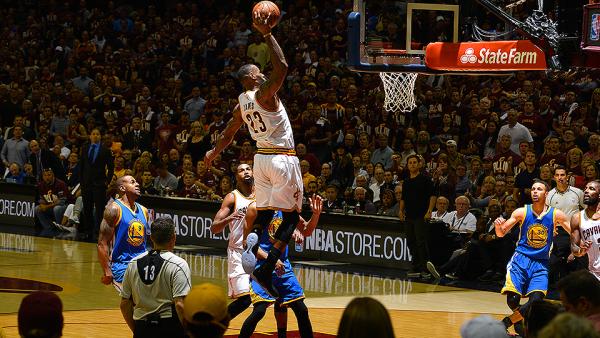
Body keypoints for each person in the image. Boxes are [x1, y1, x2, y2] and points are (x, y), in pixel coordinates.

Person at [204, 15, 302, 296]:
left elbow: (228, 134)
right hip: (282, 157)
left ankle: (254, 248)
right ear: (250, 78)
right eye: (258, 72)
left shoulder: (241, 105)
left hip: (260, 159)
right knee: (292, 216)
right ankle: (268, 264)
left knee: (264, 212)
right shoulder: (264, 95)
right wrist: (268, 34)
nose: (262, 74)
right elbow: (282, 67)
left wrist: (213, 152)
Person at [238, 195, 323, 338]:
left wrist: (316, 214)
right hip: (262, 266)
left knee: (301, 309)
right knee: (259, 310)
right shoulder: (255, 208)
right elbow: (247, 243)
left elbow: (307, 231)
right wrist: (271, 259)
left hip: (283, 267)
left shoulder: (288, 207)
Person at [493, 179, 571, 334]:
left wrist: (580, 245)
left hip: (541, 263)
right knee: (513, 300)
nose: (535, 191)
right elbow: (501, 233)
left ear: (546, 193)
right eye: (533, 189)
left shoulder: (556, 214)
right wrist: (497, 226)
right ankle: (522, 321)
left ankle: (507, 322)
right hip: (520, 260)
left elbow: (574, 234)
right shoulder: (522, 211)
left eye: (539, 189)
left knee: (536, 300)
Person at [120, 217, 191, 338]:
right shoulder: (178, 264)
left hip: (142, 327)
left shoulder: (133, 263)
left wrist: (136, 330)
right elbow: (180, 305)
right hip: (169, 327)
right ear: (174, 237)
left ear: (151, 237)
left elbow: (124, 304)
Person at [210, 163, 258, 319]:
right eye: (241, 170)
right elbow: (214, 228)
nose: (245, 172)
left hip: (260, 251)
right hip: (239, 252)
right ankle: (216, 325)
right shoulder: (232, 197)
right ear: (236, 177)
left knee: (266, 301)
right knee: (245, 300)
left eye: (248, 169)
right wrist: (229, 218)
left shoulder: (263, 193)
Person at [97, 175, 150, 292]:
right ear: (122, 188)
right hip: (122, 266)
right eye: (132, 182)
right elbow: (102, 243)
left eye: (136, 181)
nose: (137, 184)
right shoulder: (114, 209)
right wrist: (107, 271)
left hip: (143, 265)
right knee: (135, 302)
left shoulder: (144, 211)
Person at [399, 154, 436, 278]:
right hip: (409, 215)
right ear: (407, 165)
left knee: (421, 241)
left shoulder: (425, 179)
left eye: (415, 162)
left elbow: (432, 195)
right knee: (411, 241)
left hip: (421, 215)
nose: (413, 164)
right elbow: (403, 198)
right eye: (410, 163)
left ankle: (425, 268)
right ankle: (415, 266)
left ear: (419, 164)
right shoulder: (407, 182)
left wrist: (429, 210)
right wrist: (400, 210)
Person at [546, 165, 585, 282]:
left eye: (562, 175)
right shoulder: (550, 195)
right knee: (555, 260)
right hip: (559, 231)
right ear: (554, 177)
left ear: (567, 176)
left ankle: (581, 286)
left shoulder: (578, 192)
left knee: (581, 257)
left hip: (577, 229)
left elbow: (587, 209)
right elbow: (547, 215)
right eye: (557, 175)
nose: (560, 178)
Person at [80, 128, 114, 241]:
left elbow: (111, 167)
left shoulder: (105, 150)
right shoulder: (85, 148)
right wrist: (81, 181)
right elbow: (82, 166)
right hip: (86, 184)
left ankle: (98, 232)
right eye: (93, 134)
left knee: (99, 210)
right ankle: (87, 231)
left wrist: (107, 181)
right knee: (87, 209)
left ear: (100, 137)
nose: (95, 136)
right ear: (90, 136)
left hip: (99, 184)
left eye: (97, 134)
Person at [570, 180, 600, 280]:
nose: (586, 191)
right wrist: (581, 251)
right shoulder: (577, 217)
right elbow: (574, 248)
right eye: (585, 188)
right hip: (593, 271)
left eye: (591, 189)